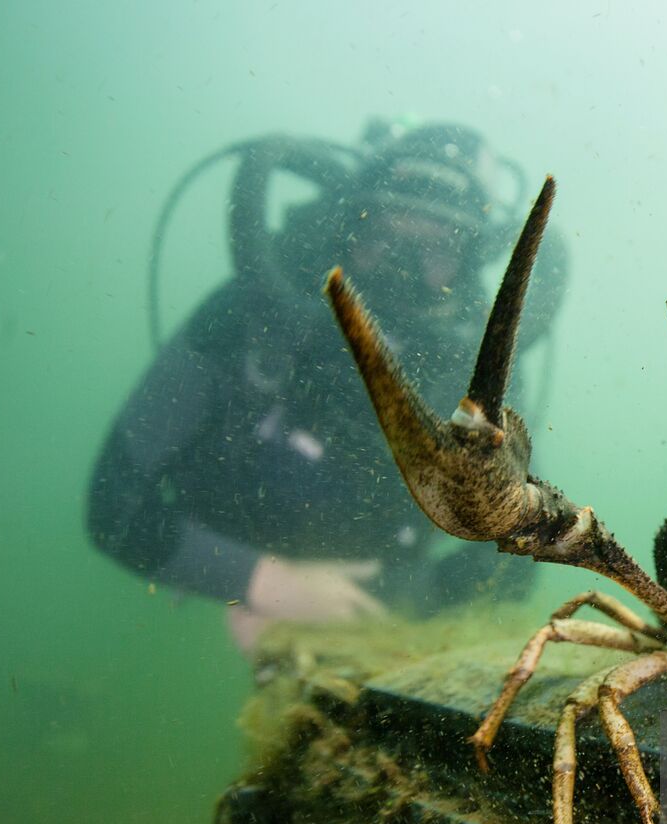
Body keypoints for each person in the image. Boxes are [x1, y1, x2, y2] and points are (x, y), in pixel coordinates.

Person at [87, 120, 566, 652]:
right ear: (348, 223)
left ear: (474, 257)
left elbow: (509, 560)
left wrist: (369, 612)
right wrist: (259, 582)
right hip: (230, 545)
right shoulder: (253, 313)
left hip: (371, 599)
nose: (403, 267)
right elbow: (115, 506)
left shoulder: (473, 368)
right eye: (387, 234)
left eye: (437, 247)